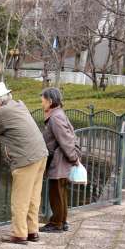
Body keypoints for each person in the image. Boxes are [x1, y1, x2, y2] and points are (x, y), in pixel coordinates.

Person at [0, 82, 48, 245]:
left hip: (25, 159)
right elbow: (3, 114)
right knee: (33, 197)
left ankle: (19, 234)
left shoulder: (1, 114)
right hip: (40, 155)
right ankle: (32, 231)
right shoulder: (19, 104)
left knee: (19, 199)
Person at [39, 87, 79, 232]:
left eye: (42, 100)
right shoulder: (59, 114)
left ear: (50, 101)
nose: (41, 103)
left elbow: (66, 140)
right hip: (61, 158)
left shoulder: (55, 117)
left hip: (60, 160)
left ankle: (57, 223)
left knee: (56, 192)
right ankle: (61, 221)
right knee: (60, 192)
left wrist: (74, 158)